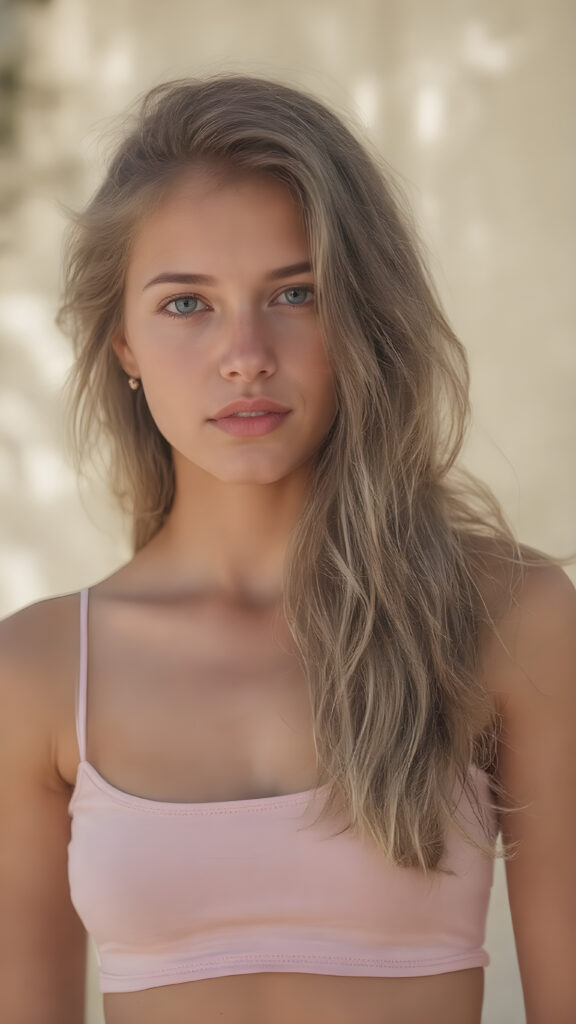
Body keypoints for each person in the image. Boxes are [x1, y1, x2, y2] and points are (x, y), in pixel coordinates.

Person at [0, 73, 574, 1024]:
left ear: (361, 316)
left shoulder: (509, 616)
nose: (246, 354)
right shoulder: (36, 671)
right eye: (187, 304)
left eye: (296, 293)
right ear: (123, 344)